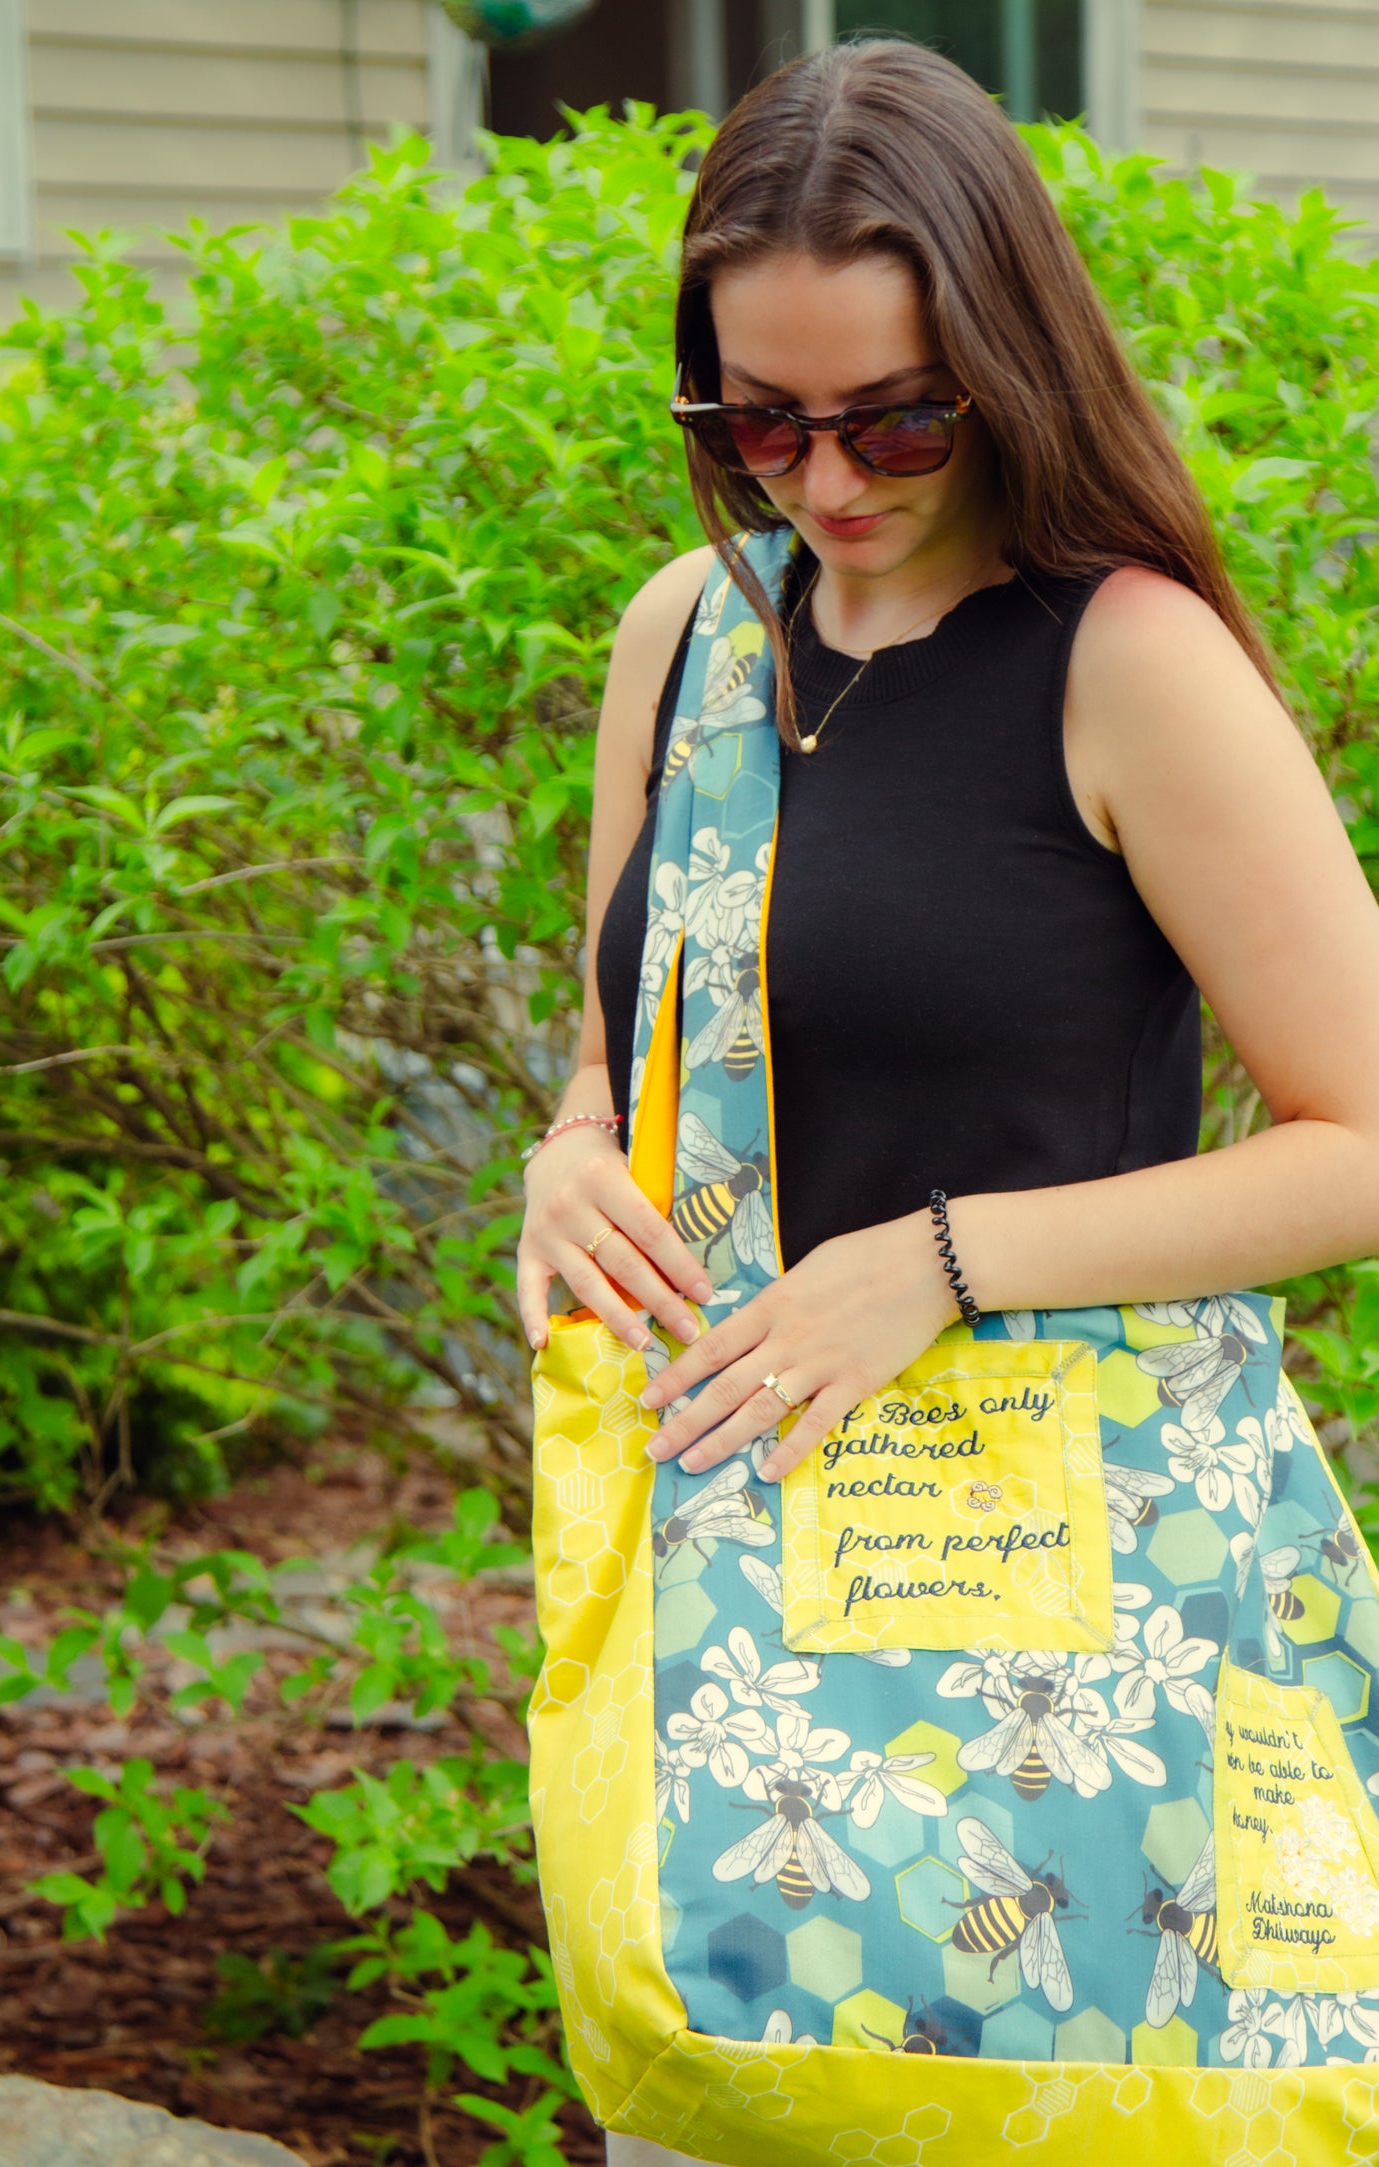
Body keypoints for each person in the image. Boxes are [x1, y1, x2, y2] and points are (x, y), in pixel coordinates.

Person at [516, 36, 1379, 2167]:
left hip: (1065, 1600)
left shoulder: (1126, 661)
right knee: (725, 2108)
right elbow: (632, 1027)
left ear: (1009, 360)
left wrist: (941, 1260)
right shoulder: (687, 644)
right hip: (745, 1590)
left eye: (899, 413)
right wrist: (563, 1151)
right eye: (758, 419)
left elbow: (1364, 1134)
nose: (825, 479)